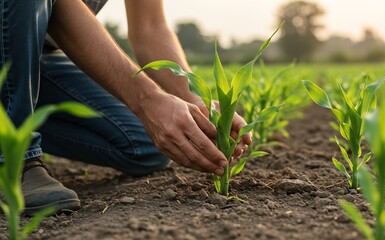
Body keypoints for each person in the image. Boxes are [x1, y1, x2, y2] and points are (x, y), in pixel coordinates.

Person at [0, 0, 251, 216]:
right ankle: (14, 159)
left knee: (144, 143)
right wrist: (147, 100)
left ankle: (15, 114)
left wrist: (195, 102)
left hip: (34, 55)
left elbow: (150, 26)